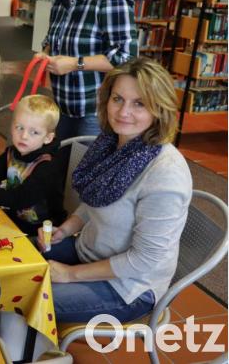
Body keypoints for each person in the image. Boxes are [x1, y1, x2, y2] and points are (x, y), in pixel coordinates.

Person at [35, 57, 191, 323]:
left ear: (159, 109)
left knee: (28, 295)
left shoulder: (166, 174)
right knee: (6, 264)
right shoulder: (111, 143)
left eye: (139, 103)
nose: (123, 112)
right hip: (88, 251)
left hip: (129, 286)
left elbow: (142, 261)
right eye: (117, 99)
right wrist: (67, 229)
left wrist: (70, 274)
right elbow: (99, 198)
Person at [36, 0, 138, 140]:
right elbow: (52, 38)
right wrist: (44, 53)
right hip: (61, 104)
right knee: (60, 165)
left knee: (83, 169)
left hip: (93, 111)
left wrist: (75, 63)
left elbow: (126, 57)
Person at [0, 94, 65, 235]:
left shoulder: (48, 166)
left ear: (48, 138)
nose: (24, 136)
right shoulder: (13, 152)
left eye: (34, 132)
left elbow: (22, 197)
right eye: (19, 127)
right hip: (13, 219)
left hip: (39, 233)